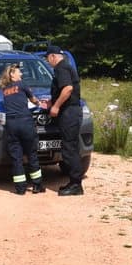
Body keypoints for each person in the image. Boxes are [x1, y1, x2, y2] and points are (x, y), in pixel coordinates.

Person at [0, 63, 44, 195]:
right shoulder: (22, 85)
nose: (21, 74)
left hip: (11, 125)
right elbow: (33, 99)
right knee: (31, 154)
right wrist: (40, 103)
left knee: (16, 157)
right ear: (12, 74)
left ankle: (20, 188)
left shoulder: (5, 89)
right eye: (19, 72)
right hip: (25, 122)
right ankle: (37, 185)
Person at [45, 45, 84, 196]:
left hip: (69, 113)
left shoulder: (61, 68)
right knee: (71, 147)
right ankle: (74, 182)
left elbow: (67, 89)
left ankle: (75, 184)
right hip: (71, 111)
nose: (49, 62)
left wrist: (55, 106)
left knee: (69, 148)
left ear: (53, 56)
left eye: (48, 60)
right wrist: (51, 101)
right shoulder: (66, 66)